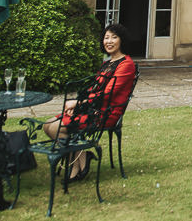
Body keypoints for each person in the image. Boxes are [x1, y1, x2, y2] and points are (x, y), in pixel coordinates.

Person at [42, 23, 138, 180]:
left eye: (114, 37)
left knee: (55, 128)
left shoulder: (126, 64)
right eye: (106, 37)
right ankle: (83, 154)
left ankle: (77, 163)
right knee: (47, 125)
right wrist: (78, 105)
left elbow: (107, 94)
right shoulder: (107, 63)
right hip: (93, 109)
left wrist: (79, 104)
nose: (109, 41)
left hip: (106, 113)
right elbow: (94, 90)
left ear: (122, 41)